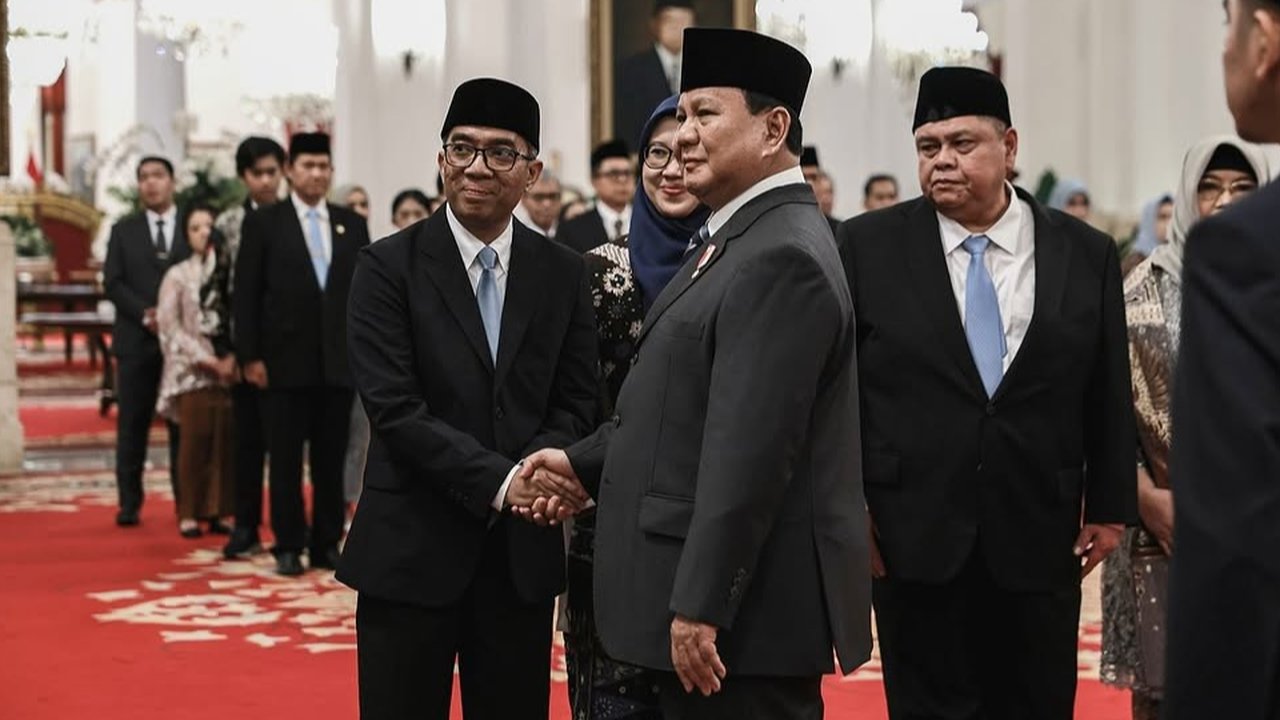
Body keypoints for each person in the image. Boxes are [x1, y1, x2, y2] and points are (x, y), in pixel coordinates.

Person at [520, 28, 872, 719]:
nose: (682, 137)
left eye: (704, 114)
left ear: (773, 129)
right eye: (681, 116)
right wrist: (582, 462)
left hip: (739, 628)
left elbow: (749, 452)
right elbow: (682, 406)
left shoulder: (780, 255)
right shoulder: (738, 236)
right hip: (716, 617)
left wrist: (701, 605)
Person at [835, 66, 1136, 720]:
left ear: (1010, 146)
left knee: (1035, 704)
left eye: (962, 143)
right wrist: (849, 505)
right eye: (928, 146)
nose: (942, 160)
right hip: (912, 535)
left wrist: (1112, 504)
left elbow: (1107, 385)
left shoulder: (1083, 252)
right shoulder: (867, 246)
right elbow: (842, 390)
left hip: (1040, 529)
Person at [336, 77, 599, 720]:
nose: (477, 167)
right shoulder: (386, 267)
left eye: (501, 152)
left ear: (532, 171)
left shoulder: (564, 271)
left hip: (518, 559)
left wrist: (540, 469)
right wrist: (508, 482)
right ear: (441, 158)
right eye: (462, 148)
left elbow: (575, 401)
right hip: (410, 549)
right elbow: (395, 411)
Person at [1100, 137, 1270, 720]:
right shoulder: (1137, 291)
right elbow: (1103, 410)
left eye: (1243, 189)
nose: (1225, 201)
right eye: (1210, 187)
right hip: (1164, 532)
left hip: (1264, 527)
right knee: (1172, 695)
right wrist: (1143, 495)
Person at [568, 94, 710, 720]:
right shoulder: (600, 272)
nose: (671, 170)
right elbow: (578, 404)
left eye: (688, 154)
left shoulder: (736, 261)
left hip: (714, 521)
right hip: (612, 522)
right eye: (657, 154)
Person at [1165, 2, 1280, 718]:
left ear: (1264, 40)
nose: (1224, 51)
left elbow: (1237, 538)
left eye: (1228, 24)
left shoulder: (1247, 251)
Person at [233, 132, 371, 576]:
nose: (316, 174)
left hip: (337, 364)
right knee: (286, 460)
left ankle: (326, 541)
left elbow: (361, 297)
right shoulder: (264, 223)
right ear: (291, 171)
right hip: (282, 363)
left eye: (323, 166)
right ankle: (288, 543)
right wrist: (249, 357)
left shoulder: (350, 224)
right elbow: (246, 295)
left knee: (331, 457)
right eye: (307, 166)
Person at [103, 156, 188, 527]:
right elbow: (113, 281)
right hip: (137, 340)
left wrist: (172, 317)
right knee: (132, 425)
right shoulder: (124, 230)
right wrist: (146, 314)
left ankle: (188, 504)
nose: (151, 183)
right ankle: (129, 502)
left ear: (172, 181)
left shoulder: (192, 225)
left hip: (182, 345)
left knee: (183, 427)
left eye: (158, 175)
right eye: (144, 177)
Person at [217, 136, 286, 559]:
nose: (266, 181)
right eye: (257, 173)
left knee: (286, 449)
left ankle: (288, 530)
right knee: (247, 445)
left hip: (288, 351)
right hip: (244, 349)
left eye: (272, 172)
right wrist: (230, 350)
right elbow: (219, 290)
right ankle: (245, 525)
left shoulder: (295, 219)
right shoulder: (229, 224)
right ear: (244, 176)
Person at [156, 205, 238, 539]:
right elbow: (169, 327)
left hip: (228, 371)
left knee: (224, 444)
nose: (204, 232)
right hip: (191, 373)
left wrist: (230, 358)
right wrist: (205, 359)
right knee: (194, 444)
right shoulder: (177, 275)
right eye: (195, 227)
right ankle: (188, 512)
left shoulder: (229, 272)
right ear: (186, 235)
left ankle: (218, 510)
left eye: (209, 226)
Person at [614, 1, 696, 148]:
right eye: (670, 21)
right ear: (654, 25)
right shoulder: (632, 70)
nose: (677, 27)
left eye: (683, 21)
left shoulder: (703, 67)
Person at [558, 140, 635, 254]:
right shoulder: (572, 230)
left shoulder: (648, 224)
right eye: (614, 174)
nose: (622, 180)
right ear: (594, 180)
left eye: (627, 173)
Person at [799, 146, 839, 232]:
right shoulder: (785, 224)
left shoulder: (837, 229)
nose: (809, 183)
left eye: (813, 177)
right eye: (804, 177)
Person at [518, 170, 563, 238]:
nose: (547, 204)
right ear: (523, 199)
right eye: (539, 197)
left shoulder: (570, 232)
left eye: (553, 196)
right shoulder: (516, 234)